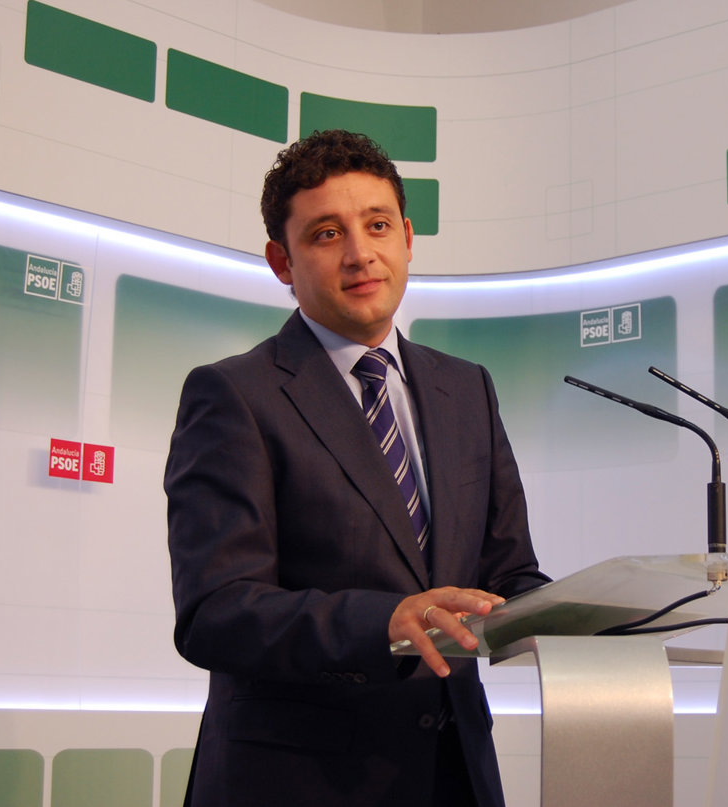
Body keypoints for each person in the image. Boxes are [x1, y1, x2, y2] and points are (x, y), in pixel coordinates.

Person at [164, 129, 549, 806]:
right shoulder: (234, 394)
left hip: (453, 774)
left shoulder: (468, 388)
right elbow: (217, 612)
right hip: (298, 782)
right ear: (281, 262)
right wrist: (383, 621)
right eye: (326, 234)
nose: (360, 253)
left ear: (407, 236)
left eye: (377, 225)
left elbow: (507, 573)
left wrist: (597, 616)